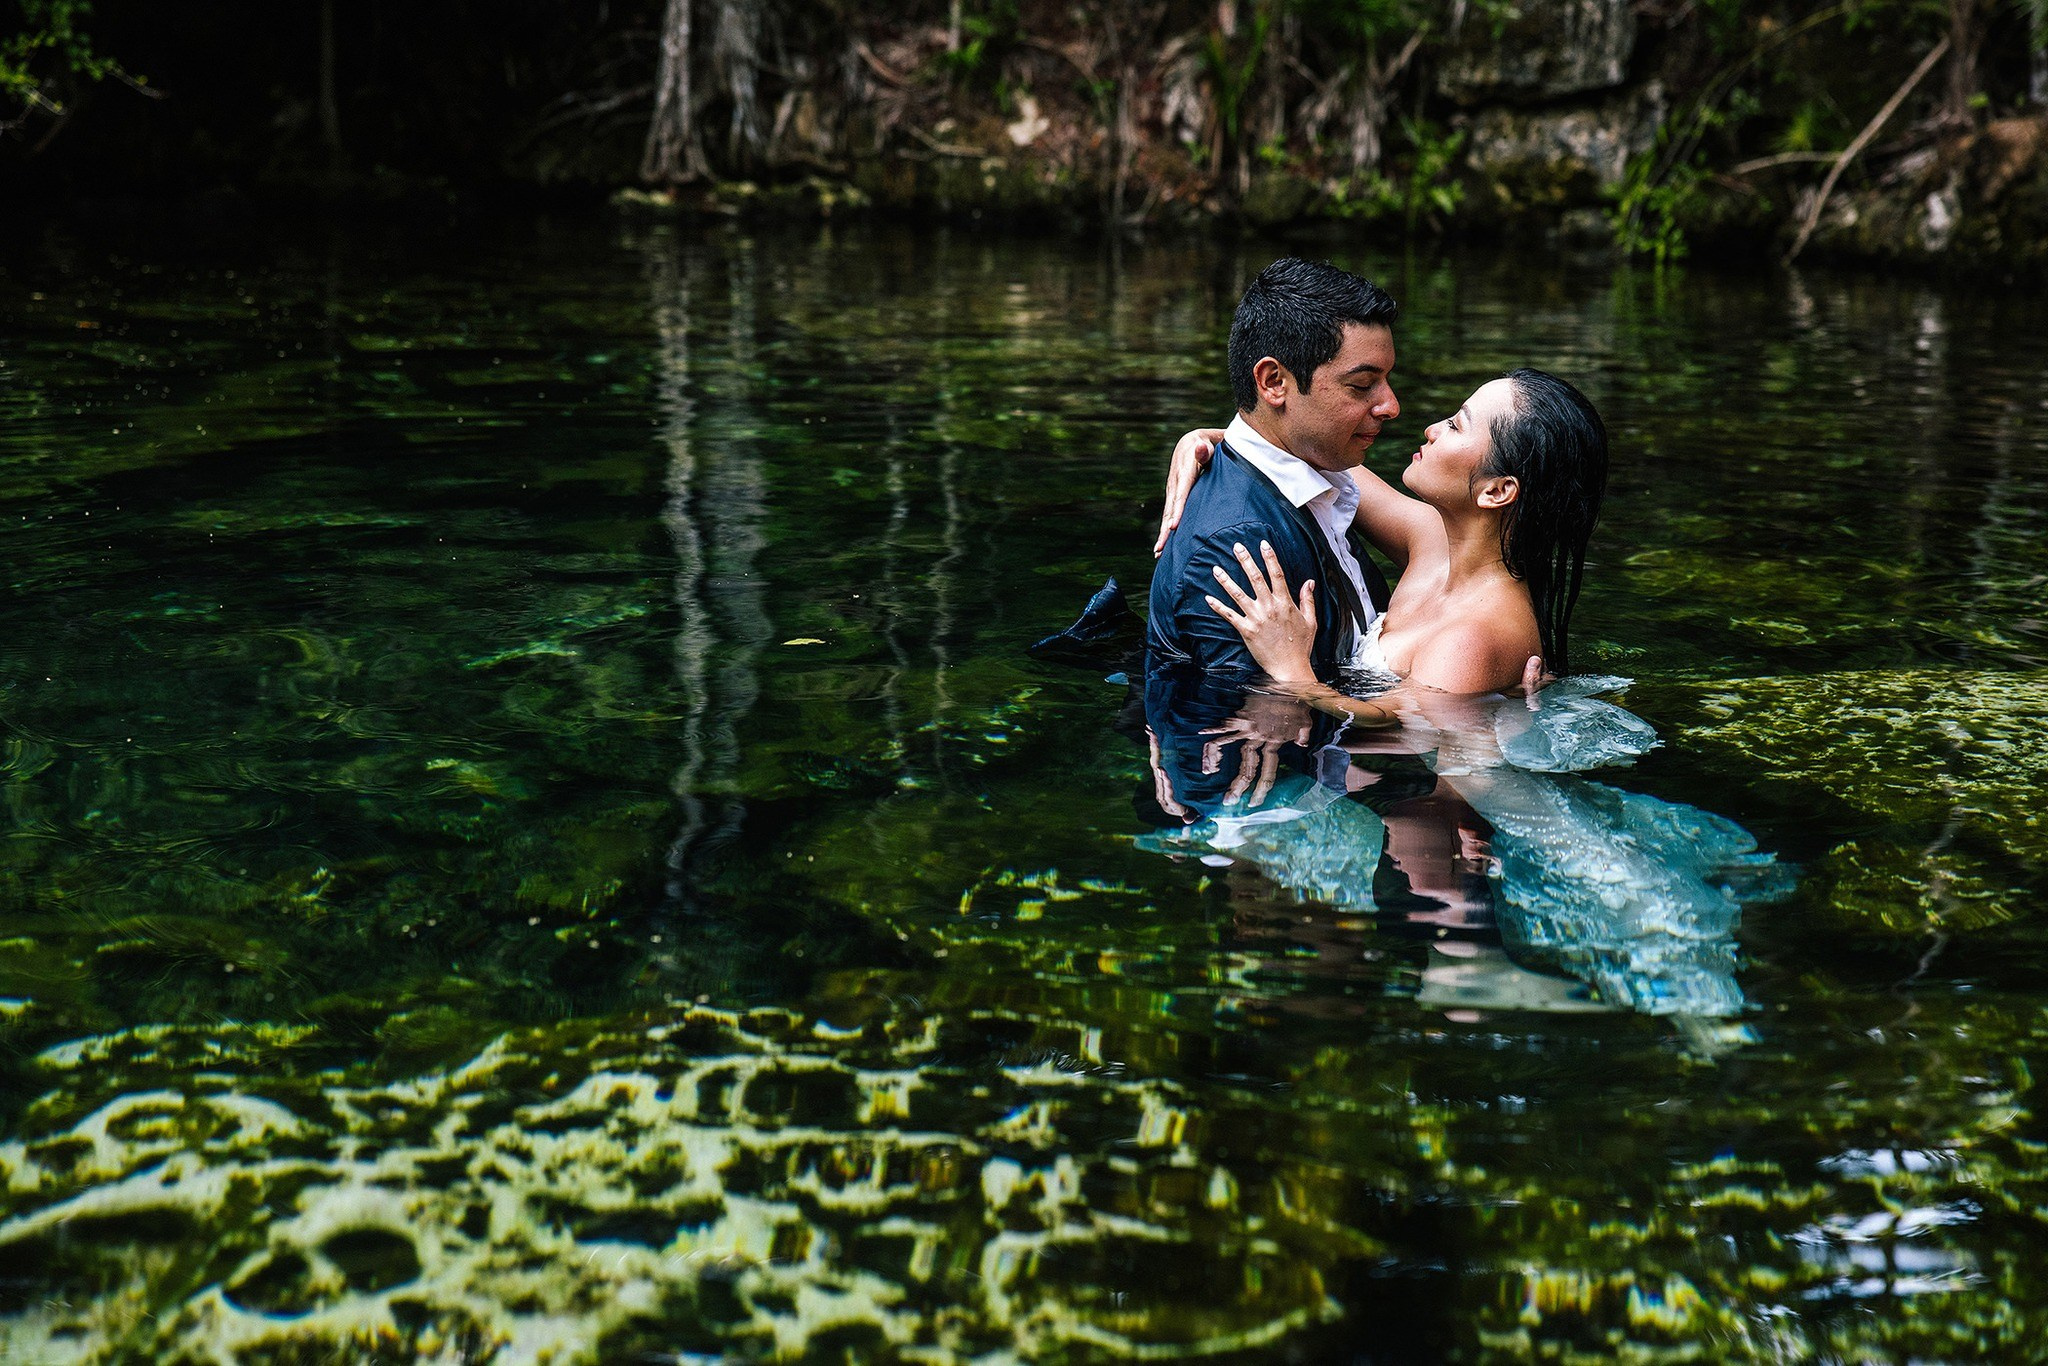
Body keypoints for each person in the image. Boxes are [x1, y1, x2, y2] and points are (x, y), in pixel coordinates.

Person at [1161, 366, 1609, 722]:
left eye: (1456, 426)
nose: (1432, 428)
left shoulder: (1471, 639)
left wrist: (1293, 669)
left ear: (1496, 491)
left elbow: (1387, 724)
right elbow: (1304, 450)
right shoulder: (1433, 540)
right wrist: (1215, 439)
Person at [1146, 258, 1401, 677]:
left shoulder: (1316, 475)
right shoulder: (1236, 548)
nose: (1391, 406)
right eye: (1361, 385)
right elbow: (1241, 714)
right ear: (1273, 382)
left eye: (1388, 380)